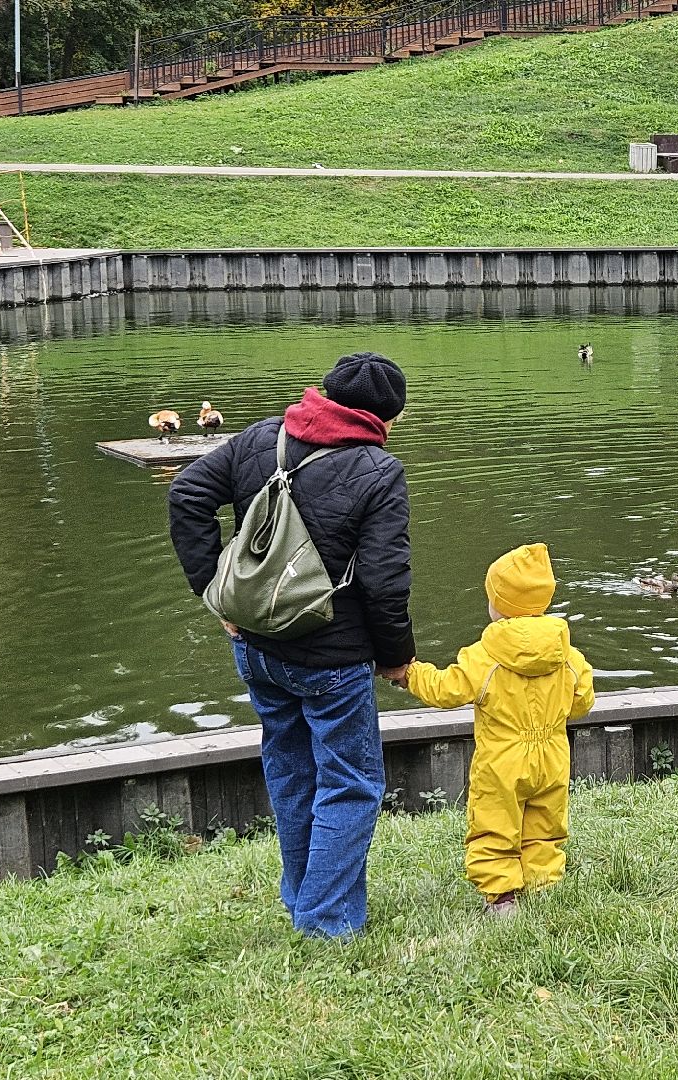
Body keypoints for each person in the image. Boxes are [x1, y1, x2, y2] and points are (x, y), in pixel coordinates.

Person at [168, 352, 415, 939]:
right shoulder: (379, 473)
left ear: (325, 394)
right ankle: (326, 921)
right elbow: (385, 580)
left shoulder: (261, 438)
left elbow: (187, 496)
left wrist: (216, 594)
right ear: (383, 417)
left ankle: (304, 895)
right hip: (332, 660)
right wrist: (396, 655)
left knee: (291, 768)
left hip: (256, 649)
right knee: (351, 781)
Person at [390, 542, 595, 917]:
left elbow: (446, 690)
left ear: (499, 604)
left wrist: (410, 675)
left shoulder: (485, 656)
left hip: (502, 760)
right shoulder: (567, 654)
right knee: (545, 825)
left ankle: (502, 900)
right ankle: (543, 885)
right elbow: (582, 701)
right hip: (552, 756)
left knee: (494, 826)